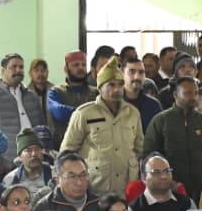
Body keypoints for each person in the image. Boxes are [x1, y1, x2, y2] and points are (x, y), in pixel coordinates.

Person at [61, 56, 144, 199]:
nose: (117, 89)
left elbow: (139, 149)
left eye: (120, 84)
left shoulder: (132, 113)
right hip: (95, 187)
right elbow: (68, 151)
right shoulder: (84, 113)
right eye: (111, 85)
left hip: (126, 188)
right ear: (100, 88)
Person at [31, 151, 100, 211]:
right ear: (58, 180)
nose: (79, 182)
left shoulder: (99, 204)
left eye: (83, 175)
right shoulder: (45, 208)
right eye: (72, 177)